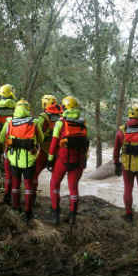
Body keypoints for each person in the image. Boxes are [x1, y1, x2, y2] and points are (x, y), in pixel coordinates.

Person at [0, 99, 43, 222]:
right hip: (29, 159)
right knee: (28, 186)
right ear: (28, 109)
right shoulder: (34, 122)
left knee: (15, 184)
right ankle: (28, 212)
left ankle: (16, 207)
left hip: (14, 160)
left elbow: (2, 138)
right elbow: (41, 138)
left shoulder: (9, 122)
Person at [47, 96, 89, 225]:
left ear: (65, 107)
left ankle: (55, 213)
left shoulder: (60, 122)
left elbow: (54, 143)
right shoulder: (83, 123)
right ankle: (72, 216)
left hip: (63, 160)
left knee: (54, 184)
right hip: (78, 161)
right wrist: (84, 161)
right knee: (73, 188)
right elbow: (86, 144)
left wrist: (50, 159)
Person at [32, 95, 63, 206]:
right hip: (59, 152)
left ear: (44, 104)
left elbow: (35, 133)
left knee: (34, 174)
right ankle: (55, 204)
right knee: (55, 180)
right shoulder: (62, 116)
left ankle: (32, 198)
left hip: (44, 151)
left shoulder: (42, 117)